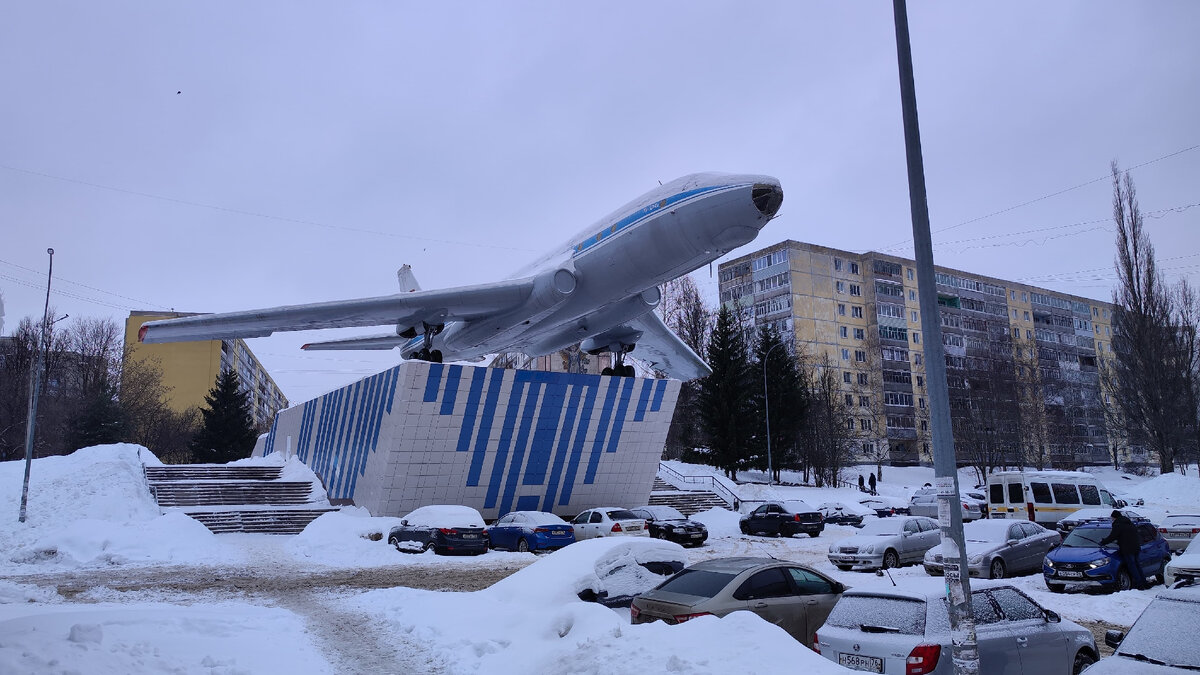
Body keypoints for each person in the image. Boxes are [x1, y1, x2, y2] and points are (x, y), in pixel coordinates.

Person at [1100, 510, 1148, 590]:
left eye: (1112, 518)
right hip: (1136, 547)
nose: (1112, 520)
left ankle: (1139, 584)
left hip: (1127, 549)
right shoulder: (1130, 523)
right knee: (1137, 566)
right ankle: (1144, 583)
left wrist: (1103, 542)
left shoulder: (1118, 525)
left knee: (1132, 567)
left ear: (1115, 517)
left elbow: (1112, 536)